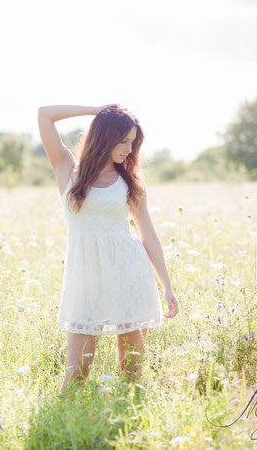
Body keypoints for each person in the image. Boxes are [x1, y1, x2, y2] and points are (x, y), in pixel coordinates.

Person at [36, 104, 180, 395]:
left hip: (127, 271)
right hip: (84, 277)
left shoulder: (130, 182)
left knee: (132, 370)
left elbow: (148, 235)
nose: (129, 148)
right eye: (123, 140)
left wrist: (166, 285)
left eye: (132, 142)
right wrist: (97, 111)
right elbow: (44, 114)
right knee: (77, 373)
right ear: (104, 136)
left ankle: (129, 427)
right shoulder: (67, 170)